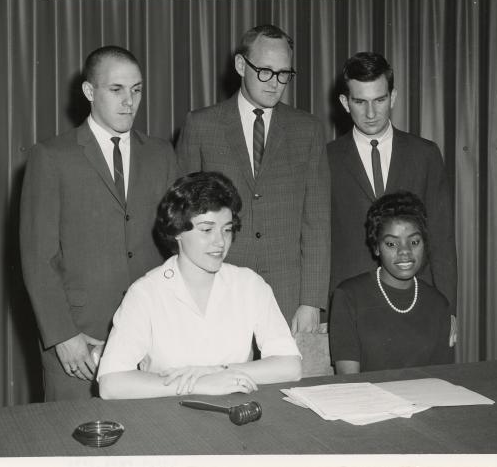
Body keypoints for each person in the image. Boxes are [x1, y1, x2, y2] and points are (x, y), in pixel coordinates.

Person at [20, 45, 179, 401]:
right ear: (90, 92)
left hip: (151, 334)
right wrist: (62, 336)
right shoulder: (51, 156)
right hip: (80, 340)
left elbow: (177, 245)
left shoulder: (161, 153)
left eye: (137, 90)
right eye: (116, 89)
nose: (129, 101)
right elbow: (37, 257)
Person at [176, 24, 330, 333]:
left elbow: (317, 221)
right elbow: (182, 218)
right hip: (216, 290)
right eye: (265, 71)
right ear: (240, 65)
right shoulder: (201, 125)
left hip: (287, 298)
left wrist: (311, 301)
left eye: (284, 74)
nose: (275, 84)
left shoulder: (308, 129)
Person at [97, 172, 302, 399]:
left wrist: (217, 372)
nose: (220, 242)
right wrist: (199, 384)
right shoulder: (146, 292)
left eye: (227, 229)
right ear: (177, 231)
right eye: (206, 230)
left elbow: (290, 366)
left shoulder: (249, 284)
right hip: (166, 418)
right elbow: (111, 383)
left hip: (236, 412)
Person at [328, 51, 457, 345]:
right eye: (360, 102)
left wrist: (448, 309)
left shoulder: (425, 154)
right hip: (353, 308)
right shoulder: (326, 159)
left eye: (380, 100)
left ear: (393, 97)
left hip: (416, 302)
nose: (371, 113)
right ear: (345, 103)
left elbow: (442, 238)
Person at [329, 191, 454, 373]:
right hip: (367, 399)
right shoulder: (348, 296)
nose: (405, 251)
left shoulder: (438, 304)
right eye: (391, 244)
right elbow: (349, 381)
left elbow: (443, 379)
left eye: (414, 242)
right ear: (376, 247)